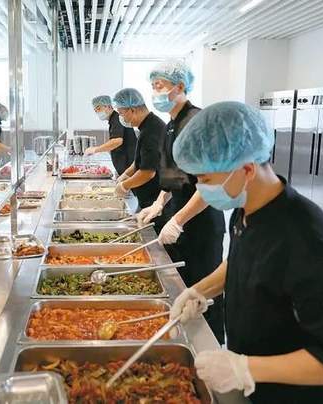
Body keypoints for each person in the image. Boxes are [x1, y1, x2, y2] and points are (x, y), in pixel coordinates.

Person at [169, 101, 323, 403]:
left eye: (206, 179)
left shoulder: (308, 241)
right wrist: (199, 290)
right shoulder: (247, 208)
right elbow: (242, 260)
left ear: (247, 169)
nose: (200, 188)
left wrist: (245, 368)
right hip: (260, 388)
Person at [136, 60, 225, 343]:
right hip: (181, 215)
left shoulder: (197, 122)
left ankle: (209, 347)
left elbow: (208, 184)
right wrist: (158, 204)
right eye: (153, 86)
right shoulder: (171, 125)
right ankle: (184, 342)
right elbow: (173, 177)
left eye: (160, 85)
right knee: (182, 290)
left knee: (203, 293)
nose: (155, 91)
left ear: (181, 86)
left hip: (200, 222)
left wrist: (178, 220)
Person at [111, 88, 163, 218]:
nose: (121, 118)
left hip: (155, 202)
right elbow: (140, 160)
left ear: (132, 110)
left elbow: (147, 172)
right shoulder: (146, 126)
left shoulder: (151, 131)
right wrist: (125, 175)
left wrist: (124, 186)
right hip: (147, 199)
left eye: (121, 113)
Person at [85, 95, 136, 176]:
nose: (97, 112)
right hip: (126, 168)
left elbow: (117, 141)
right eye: (95, 110)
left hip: (130, 168)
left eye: (99, 108)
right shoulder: (113, 120)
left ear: (108, 106)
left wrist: (95, 149)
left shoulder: (117, 119)